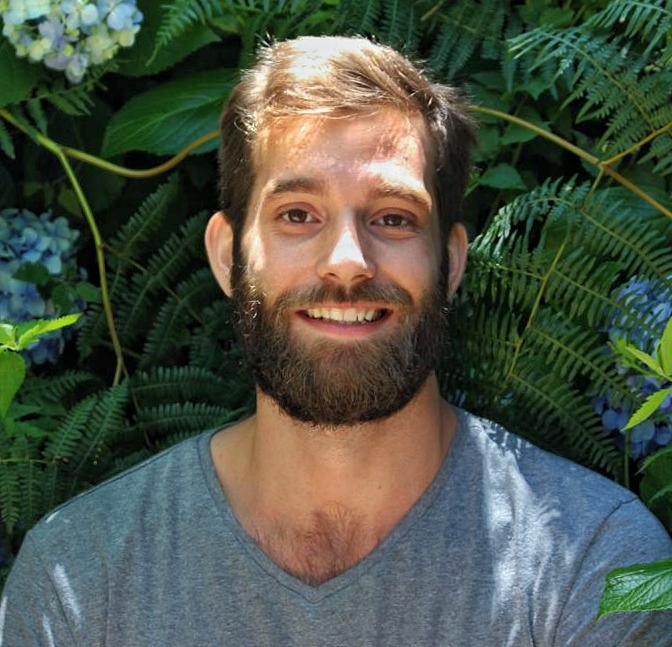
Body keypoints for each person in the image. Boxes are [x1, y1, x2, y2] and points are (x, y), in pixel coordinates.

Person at [1, 36, 671, 647]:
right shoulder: (79, 578)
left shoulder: (601, 558)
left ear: (451, 262)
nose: (347, 261)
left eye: (393, 218)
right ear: (229, 255)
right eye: (298, 214)